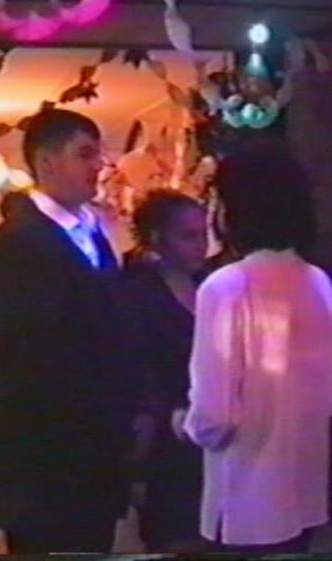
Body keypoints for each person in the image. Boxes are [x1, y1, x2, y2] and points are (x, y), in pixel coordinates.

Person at [182, 139, 332, 554]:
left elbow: (215, 416)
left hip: (244, 500)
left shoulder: (225, 288)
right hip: (304, 491)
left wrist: (186, 423)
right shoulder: (317, 281)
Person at [0, 108, 134, 553]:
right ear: (46, 162)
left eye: (98, 155)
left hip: (94, 450)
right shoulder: (16, 242)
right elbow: (35, 352)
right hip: (46, 454)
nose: (98, 166)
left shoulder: (93, 233)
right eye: (84, 155)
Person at [122, 190, 208, 553]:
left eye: (203, 234)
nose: (200, 245)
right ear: (159, 238)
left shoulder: (211, 285)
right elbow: (136, 365)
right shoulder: (138, 293)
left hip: (212, 427)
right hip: (164, 433)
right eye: (188, 236)